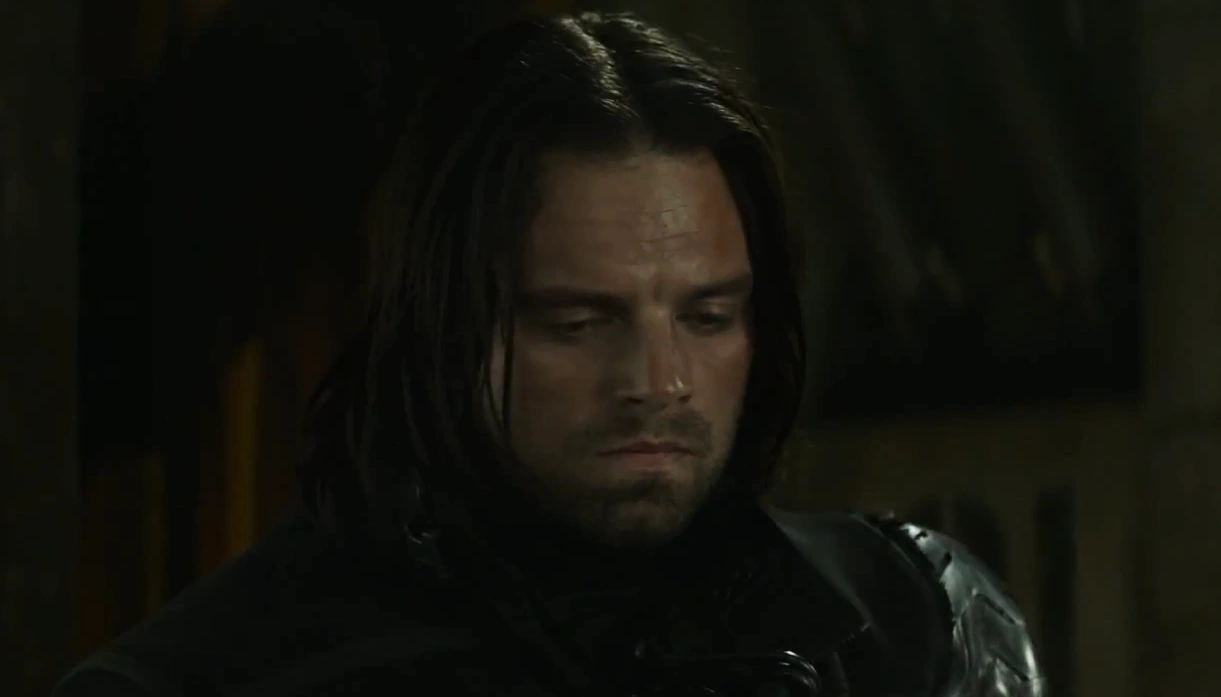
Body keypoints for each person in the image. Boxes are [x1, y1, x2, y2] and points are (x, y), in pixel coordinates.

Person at [56, 11, 1044, 697]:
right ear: (446, 328)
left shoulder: (913, 625)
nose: (657, 383)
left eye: (707, 317)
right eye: (577, 322)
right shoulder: (209, 677)